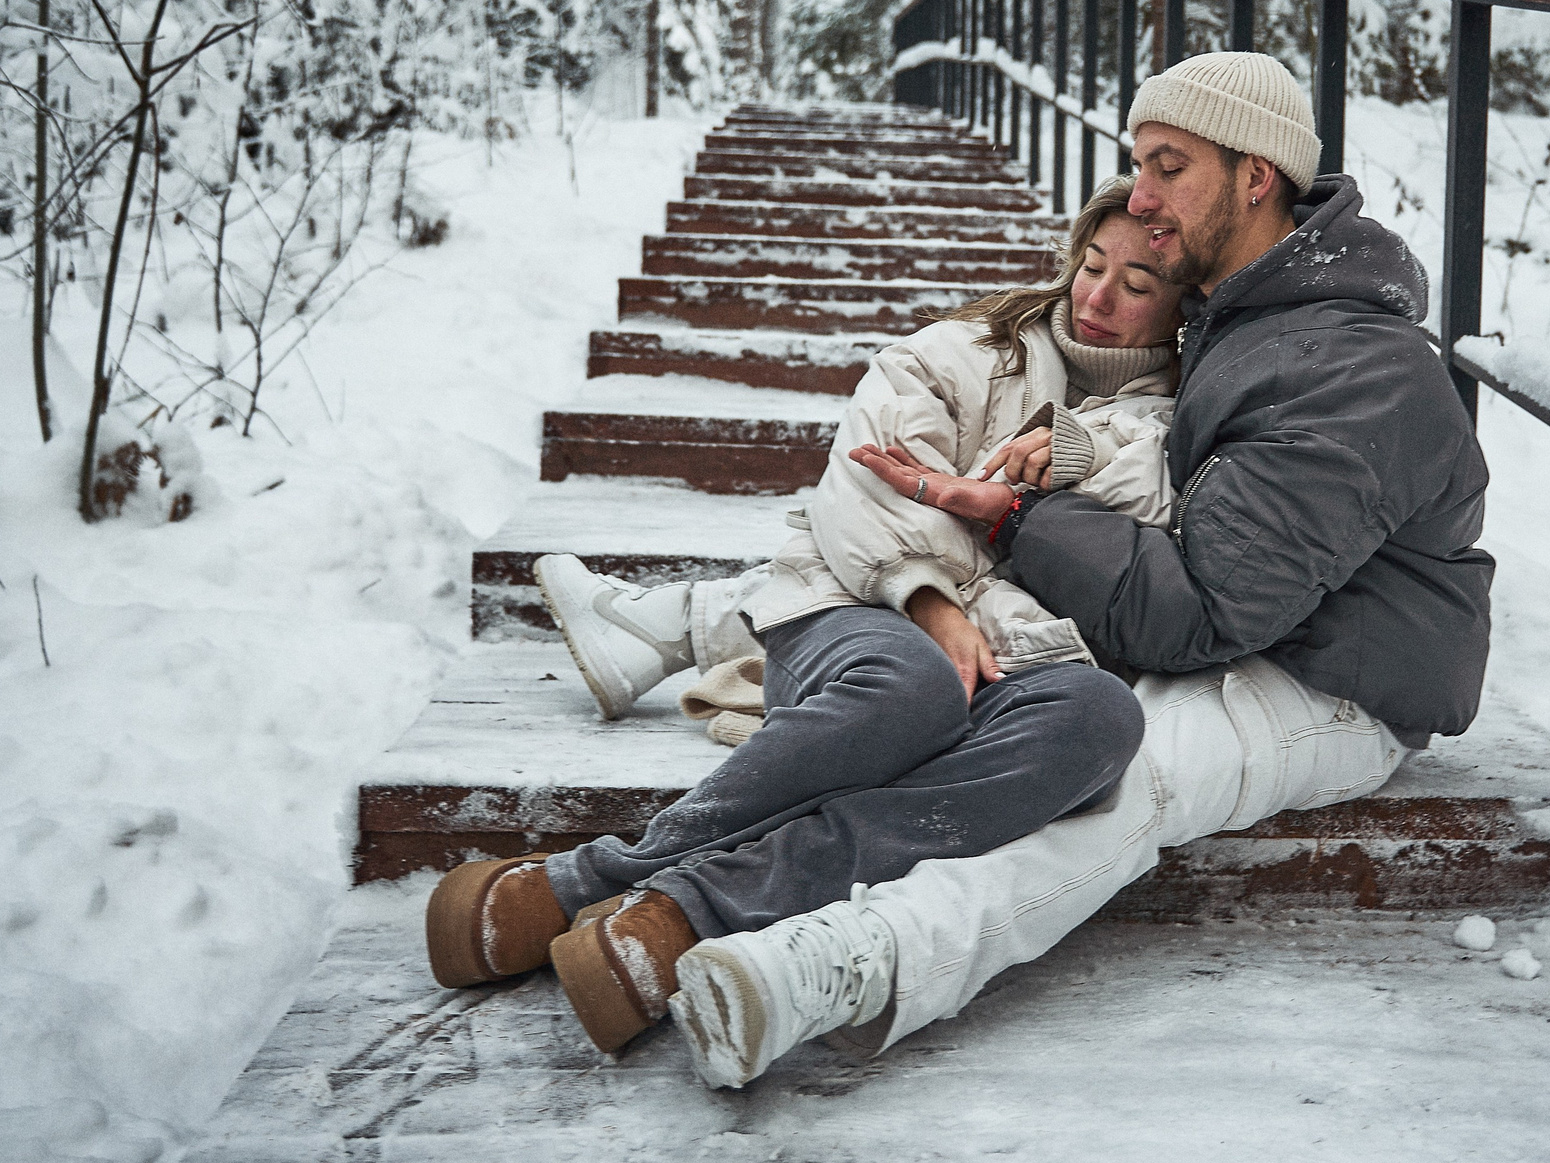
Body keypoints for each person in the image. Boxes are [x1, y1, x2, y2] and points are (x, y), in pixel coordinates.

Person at [648, 51, 1495, 1089]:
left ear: (1256, 175)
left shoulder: (1349, 366)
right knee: (994, 702)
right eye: (1137, 164)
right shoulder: (1239, 312)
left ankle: (854, 962)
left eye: (1168, 166)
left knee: (1130, 780)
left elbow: (1201, 610)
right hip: (1238, 609)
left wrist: (1015, 515)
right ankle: (691, 818)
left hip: (1334, 677)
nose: (1139, 198)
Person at [421, 183, 1195, 1073]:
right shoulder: (965, 350)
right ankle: (604, 884)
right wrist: (929, 599)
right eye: (1091, 266)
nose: (1097, 297)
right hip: (851, 607)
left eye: (1137, 283)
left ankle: (678, 909)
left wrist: (1076, 454)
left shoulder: (1171, 423)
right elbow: (864, 482)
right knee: (913, 684)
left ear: (1182, 305)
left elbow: (1159, 513)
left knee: (1101, 718)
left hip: (1016, 659)